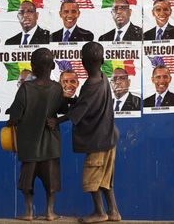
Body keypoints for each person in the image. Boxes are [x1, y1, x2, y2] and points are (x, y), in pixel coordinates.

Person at [48, 42, 121, 223]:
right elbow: (86, 103)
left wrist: (57, 120)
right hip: (109, 137)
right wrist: (73, 100)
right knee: (105, 179)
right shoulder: (103, 78)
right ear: (103, 61)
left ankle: (100, 213)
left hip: (97, 140)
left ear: (82, 63)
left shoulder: (90, 85)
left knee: (91, 179)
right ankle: (114, 212)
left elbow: (78, 112)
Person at [7, 48, 63, 221]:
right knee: (51, 184)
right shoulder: (57, 88)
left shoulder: (25, 88)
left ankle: (29, 212)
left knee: (27, 183)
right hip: (50, 146)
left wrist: (10, 123)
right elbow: (61, 109)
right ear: (53, 66)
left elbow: (15, 117)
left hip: (29, 147)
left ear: (32, 67)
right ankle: (50, 212)